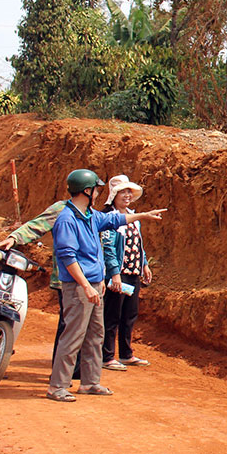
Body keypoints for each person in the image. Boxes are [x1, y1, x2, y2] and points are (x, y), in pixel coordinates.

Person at [48, 169, 167, 403]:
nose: (98, 193)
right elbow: (67, 257)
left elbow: (115, 219)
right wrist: (86, 286)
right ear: (87, 190)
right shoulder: (67, 219)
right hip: (79, 287)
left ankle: (90, 382)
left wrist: (143, 215)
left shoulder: (89, 215)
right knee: (73, 336)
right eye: (96, 188)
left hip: (94, 285)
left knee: (95, 334)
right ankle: (57, 386)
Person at [0, 199, 83, 379]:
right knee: (68, 326)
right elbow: (36, 225)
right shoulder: (63, 208)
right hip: (66, 278)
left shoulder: (90, 213)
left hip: (88, 279)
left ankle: (75, 370)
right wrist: (14, 238)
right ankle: (62, 372)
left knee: (81, 327)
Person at [100, 175, 152, 371]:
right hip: (117, 273)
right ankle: (106, 356)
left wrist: (144, 264)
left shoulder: (133, 216)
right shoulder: (108, 218)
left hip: (133, 270)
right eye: (123, 192)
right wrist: (114, 274)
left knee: (129, 313)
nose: (127, 195)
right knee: (112, 314)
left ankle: (126, 354)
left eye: (129, 192)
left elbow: (138, 243)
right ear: (113, 194)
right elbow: (108, 248)